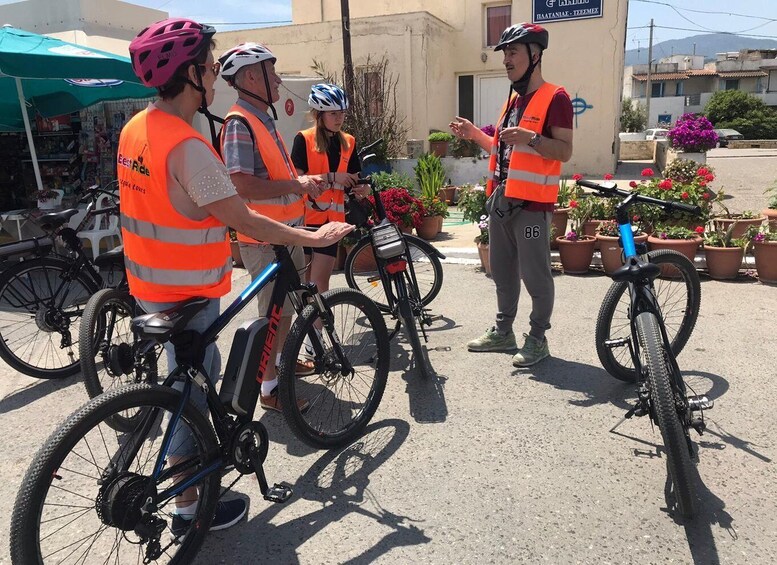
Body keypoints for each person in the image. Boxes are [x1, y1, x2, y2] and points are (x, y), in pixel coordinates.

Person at [121, 18, 352, 535]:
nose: (214, 75)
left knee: (187, 384)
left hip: (148, 285)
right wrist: (313, 239)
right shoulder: (189, 146)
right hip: (186, 289)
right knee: (193, 397)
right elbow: (242, 217)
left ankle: (194, 475)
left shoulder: (136, 128)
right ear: (189, 75)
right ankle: (188, 510)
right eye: (207, 66)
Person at [449, 22, 573, 367]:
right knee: (502, 271)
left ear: (535, 55)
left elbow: (563, 151)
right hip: (503, 203)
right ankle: (504, 333)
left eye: (513, 51)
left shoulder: (556, 97)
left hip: (533, 206)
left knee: (536, 275)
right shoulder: (514, 102)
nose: (506, 59)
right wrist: (475, 134)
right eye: (504, 52)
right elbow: (504, 153)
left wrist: (532, 138)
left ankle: (537, 338)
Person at [217, 43, 327, 412]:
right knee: (272, 315)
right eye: (271, 71)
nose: (278, 79)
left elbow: (275, 176)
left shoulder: (262, 117)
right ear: (251, 77)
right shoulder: (239, 123)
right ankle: (267, 389)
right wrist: (296, 185)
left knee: (285, 311)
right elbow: (242, 184)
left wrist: (302, 181)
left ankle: (278, 365)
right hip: (264, 239)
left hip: (284, 233)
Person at [290, 83, 369, 294]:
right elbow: (296, 179)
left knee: (320, 283)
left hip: (332, 222)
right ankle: (305, 326)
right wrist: (333, 177)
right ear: (318, 115)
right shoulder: (303, 139)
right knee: (302, 283)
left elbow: (356, 178)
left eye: (342, 113)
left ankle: (317, 326)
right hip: (304, 221)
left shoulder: (349, 142)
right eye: (333, 113)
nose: (339, 118)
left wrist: (363, 190)